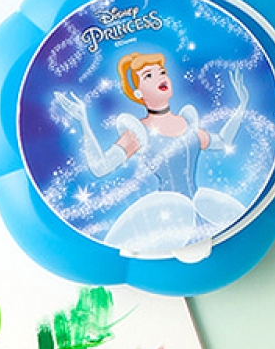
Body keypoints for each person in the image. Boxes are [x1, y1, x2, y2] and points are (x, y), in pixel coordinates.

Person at [53, 52, 250, 258]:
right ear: (137, 92)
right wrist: (83, 121)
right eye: (148, 76)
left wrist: (242, 105)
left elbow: (223, 141)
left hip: (202, 211)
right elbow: (100, 167)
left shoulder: (187, 123)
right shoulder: (139, 132)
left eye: (162, 72)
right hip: (168, 216)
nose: (160, 78)